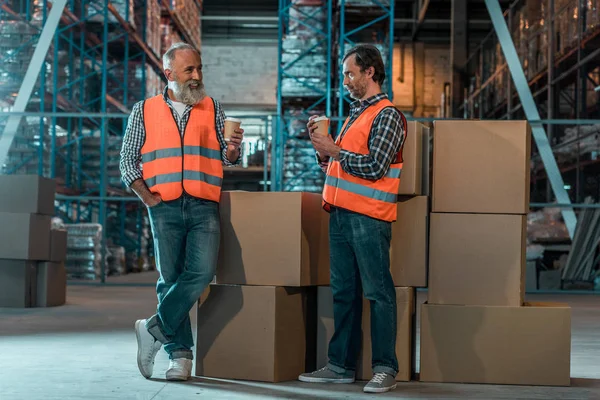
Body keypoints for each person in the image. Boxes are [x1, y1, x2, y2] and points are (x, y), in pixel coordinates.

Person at [119, 42, 244, 381]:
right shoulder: (143, 110)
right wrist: (147, 197)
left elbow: (226, 157)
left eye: (199, 69)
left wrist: (233, 150)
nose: (196, 76)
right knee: (170, 279)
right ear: (169, 73)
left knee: (201, 274)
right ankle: (180, 357)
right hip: (164, 205)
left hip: (204, 203)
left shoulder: (212, 107)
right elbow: (128, 161)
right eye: (189, 70)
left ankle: (153, 328)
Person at [298, 44, 406, 394]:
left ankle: (385, 367)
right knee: (344, 293)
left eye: (350, 73)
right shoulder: (355, 114)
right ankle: (340, 366)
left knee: (378, 293)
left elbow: (374, 167)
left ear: (369, 72)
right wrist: (322, 151)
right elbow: (340, 166)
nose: (345, 81)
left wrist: (334, 150)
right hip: (341, 216)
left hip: (369, 218)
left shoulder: (387, 115)